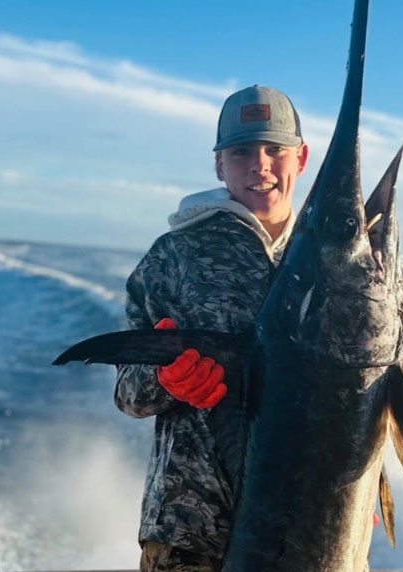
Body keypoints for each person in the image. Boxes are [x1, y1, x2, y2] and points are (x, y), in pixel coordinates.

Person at [114, 85, 309, 572]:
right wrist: (163, 379)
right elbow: (128, 395)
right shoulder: (174, 255)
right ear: (219, 165)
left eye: (275, 150)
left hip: (311, 532)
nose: (259, 165)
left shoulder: (337, 264)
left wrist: (362, 483)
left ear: (300, 158)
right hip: (190, 539)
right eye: (241, 151)